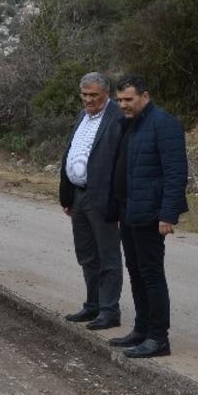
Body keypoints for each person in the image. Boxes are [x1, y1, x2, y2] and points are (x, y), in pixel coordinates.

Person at [108, 75, 189, 358]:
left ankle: (158, 338)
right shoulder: (130, 125)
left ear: (145, 96)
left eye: (128, 99)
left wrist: (168, 214)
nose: (123, 105)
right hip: (129, 211)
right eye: (119, 100)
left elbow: (176, 173)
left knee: (152, 275)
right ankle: (141, 329)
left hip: (151, 213)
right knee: (136, 271)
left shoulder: (164, 124)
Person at [60, 72, 124, 331]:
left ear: (106, 94)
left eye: (93, 95)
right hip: (79, 195)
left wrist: (117, 199)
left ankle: (110, 311)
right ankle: (93, 304)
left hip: (103, 197)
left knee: (107, 255)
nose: (88, 100)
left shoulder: (117, 117)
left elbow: (121, 161)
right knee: (86, 253)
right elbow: (71, 153)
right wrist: (68, 196)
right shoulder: (82, 116)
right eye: (84, 95)